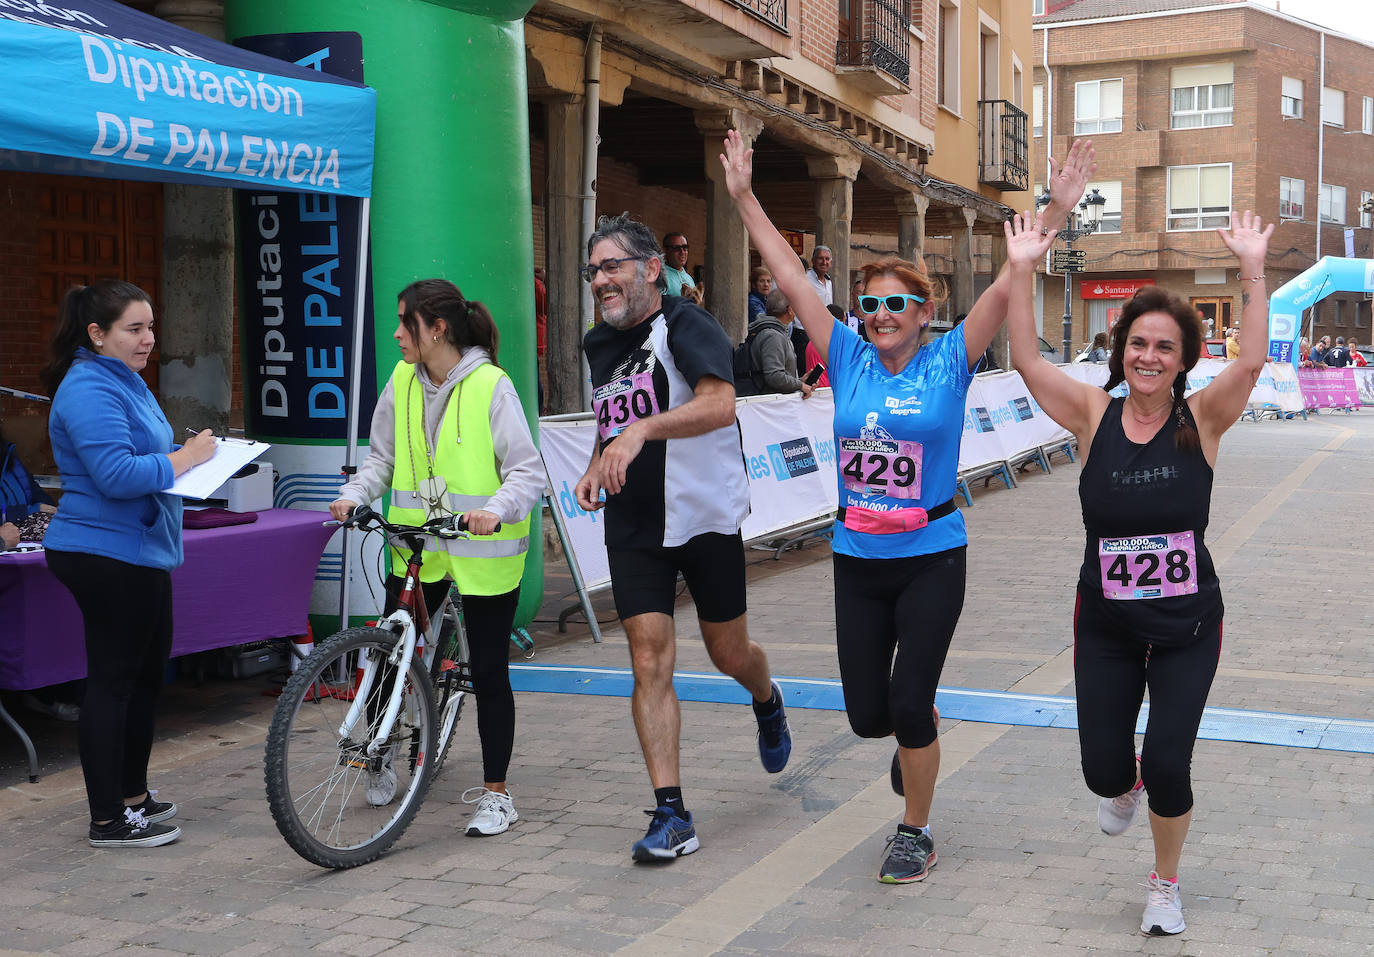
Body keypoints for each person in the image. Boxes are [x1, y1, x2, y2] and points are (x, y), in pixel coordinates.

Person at [721, 128, 1097, 884]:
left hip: (931, 555)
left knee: (912, 700)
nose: (882, 312)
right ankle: (907, 741)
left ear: (926, 312)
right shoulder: (846, 355)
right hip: (857, 557)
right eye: (871, 303)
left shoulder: (951, 358)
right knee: (869, 714)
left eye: (898, 302)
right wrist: (742, 197)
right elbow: (791, 276)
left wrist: (1054, 208)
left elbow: (1004, 285)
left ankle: (914, 828)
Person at [1005, 208, 1275, 937]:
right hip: (1107, 624)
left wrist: (1252, 267)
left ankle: (1164, 883)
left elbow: (1250, 361)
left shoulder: (1205, 420)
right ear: (1120, 350)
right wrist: (1024, 269)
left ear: (1183, 358)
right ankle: (1119, 783)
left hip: (1188, 625)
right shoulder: (1094, 416)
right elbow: (1028, 363)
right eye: (1137, 344)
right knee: (1103, 770)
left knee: (1169, 761)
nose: (1148, 356)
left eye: (1164, 347)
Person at [574, 212, 792, 864]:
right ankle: (672, 812)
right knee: (648, 656)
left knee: (729, 652)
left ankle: (767, 695)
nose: (600, 280)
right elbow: (611, 417)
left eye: (611, 266)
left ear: (649, 269)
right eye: (592, 271)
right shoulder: (598, 343)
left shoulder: (684, 322)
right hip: (635, 520)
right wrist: (597, 458)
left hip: (702, 515)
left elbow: (720, 402)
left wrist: (641, 433)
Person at [331, 278, 542, 838]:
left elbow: (527, 470)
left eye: (407, 323)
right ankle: (377, 751)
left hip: (482, 551)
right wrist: (355, 496)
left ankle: (497, 795)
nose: (398, 334)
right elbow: (381, 459)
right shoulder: (401, 380)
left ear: (438, 329)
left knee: (490, 670)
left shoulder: (491, 386)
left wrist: (496, 508)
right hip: (418, 544)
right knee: (390, 647)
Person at [40, 280, 218, 848]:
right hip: (104, 551)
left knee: (144, 678)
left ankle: (134, 797)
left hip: (139, 550)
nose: (149, 339)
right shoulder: (89, 387)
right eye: (134, 329)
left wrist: (188, 460)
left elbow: (144, 457)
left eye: (150, 326)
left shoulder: (125, 380)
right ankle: (107, 819)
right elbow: (117, 475)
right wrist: (187, 458)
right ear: (98, 334)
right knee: (114, 683)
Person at [744, 289, 815, 397]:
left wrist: (800, 381)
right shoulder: (773, 336)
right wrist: (800, 385)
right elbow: (774, 376)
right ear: (790, 309)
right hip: (770, 406)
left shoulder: (777, 333)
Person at [660, 232, 696, 298]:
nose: (682, 252)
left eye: (685, 247)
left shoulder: (689, 279)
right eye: (676, 248)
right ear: (665, 250)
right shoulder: (660, 276)